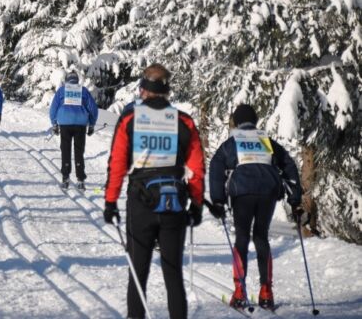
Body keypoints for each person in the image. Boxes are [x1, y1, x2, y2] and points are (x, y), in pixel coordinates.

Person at [103, 63, 206, 319]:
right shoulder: (183, 121)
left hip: (141, 203)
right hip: (173, 203)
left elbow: (117, 164)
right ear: (166, 90)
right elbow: (197, 168)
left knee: (138, 272)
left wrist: (110, 201)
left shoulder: (131, 119)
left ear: (143, 90)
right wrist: (196, 204)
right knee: (173, 274)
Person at [208, 104, 303, 311]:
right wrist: (295, 199)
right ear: (255, 120)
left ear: (237, 121)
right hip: (268, 191)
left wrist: (218, 200)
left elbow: (216, 166)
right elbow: (289, 165)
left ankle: (240, 292)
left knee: (242, 237)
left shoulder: (233, 143)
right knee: (261, 236)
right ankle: (266, 291)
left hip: (242, 192)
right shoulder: (266, 141)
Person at [49, 71, 99, 189]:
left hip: (65, 124)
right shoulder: (83, 91)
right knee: (78, 151)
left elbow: (53, 108)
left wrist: (54, 124)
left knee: (65, 150)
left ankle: (65, 178)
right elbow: (93, 109)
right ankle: (80, 179)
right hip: (80, 125)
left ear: (67, 80)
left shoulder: (62, 90)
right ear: (77, 80)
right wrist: (91, 124)